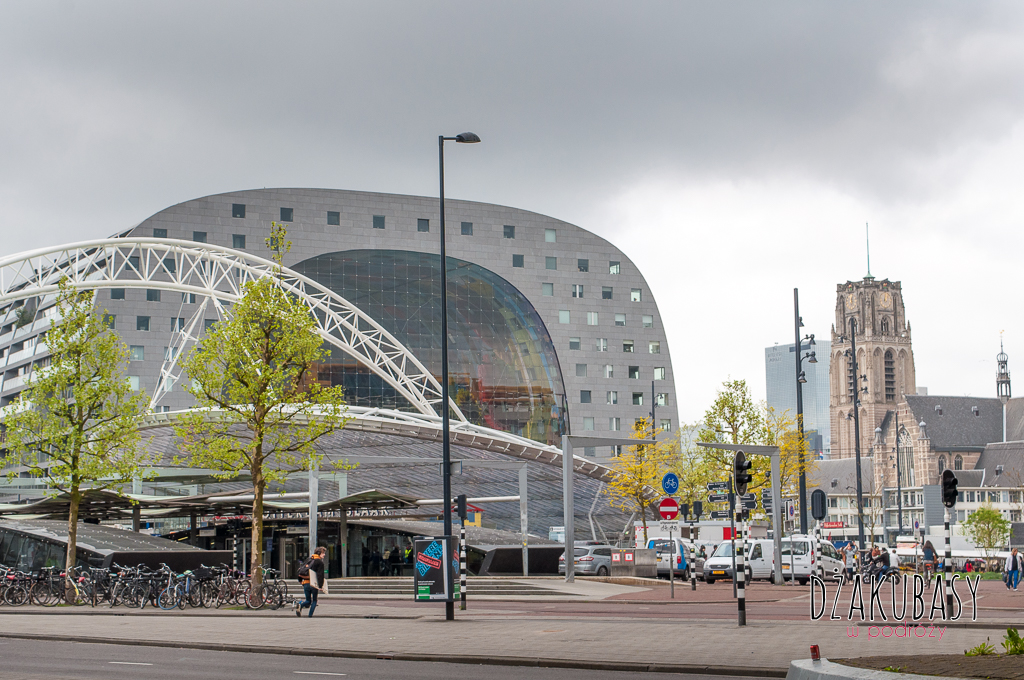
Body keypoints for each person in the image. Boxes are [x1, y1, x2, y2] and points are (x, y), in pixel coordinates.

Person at [295, 547, 327, 617]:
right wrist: (320, 586)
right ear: (319, 553)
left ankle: (300, 605)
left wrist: (300, 580)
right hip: (313, 583)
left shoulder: (308, 559)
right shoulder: (319, 562)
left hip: (305, 583)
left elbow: (302, 570)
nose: (324, 555)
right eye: (323, 553)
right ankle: (309, 616)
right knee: (314, 601)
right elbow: (320, 575)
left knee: (308, 600)